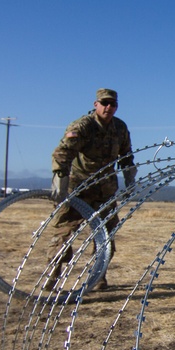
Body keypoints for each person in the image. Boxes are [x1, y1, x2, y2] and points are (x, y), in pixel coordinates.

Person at [49, 88, 136, 291]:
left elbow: (126, 156)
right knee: (64, 234)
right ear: (95, 104)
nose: (108, 107)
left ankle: (98, 278)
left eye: (112, 104)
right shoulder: (83, 126)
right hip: (79, 189)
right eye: (104, 103)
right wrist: (59, 180)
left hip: (105, 191)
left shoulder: (120, 128)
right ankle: (51, 278)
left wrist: (129, 178)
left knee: (106, 236)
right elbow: (63, 153)